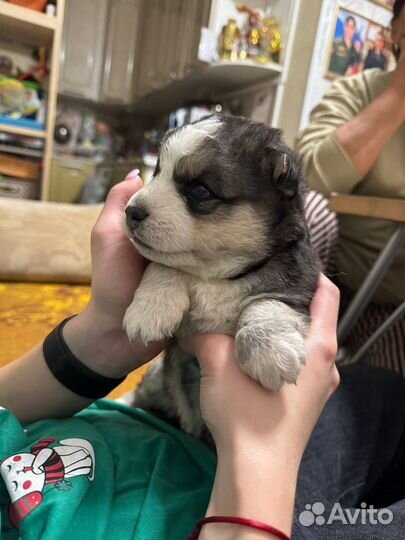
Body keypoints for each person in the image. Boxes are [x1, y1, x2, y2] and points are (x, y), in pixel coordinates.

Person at [0, 174, 404, 540]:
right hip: (234, 497)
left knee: (378, 392)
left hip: (149, 422)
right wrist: (261, 453)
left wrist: (101, 335)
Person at [295, 0, 405, 375]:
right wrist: (397, 97)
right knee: (305, 205)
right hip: (329, 272)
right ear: (395, 33)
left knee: (381, 393)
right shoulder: (356, 91)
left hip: (393, 304)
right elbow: (308, 176)